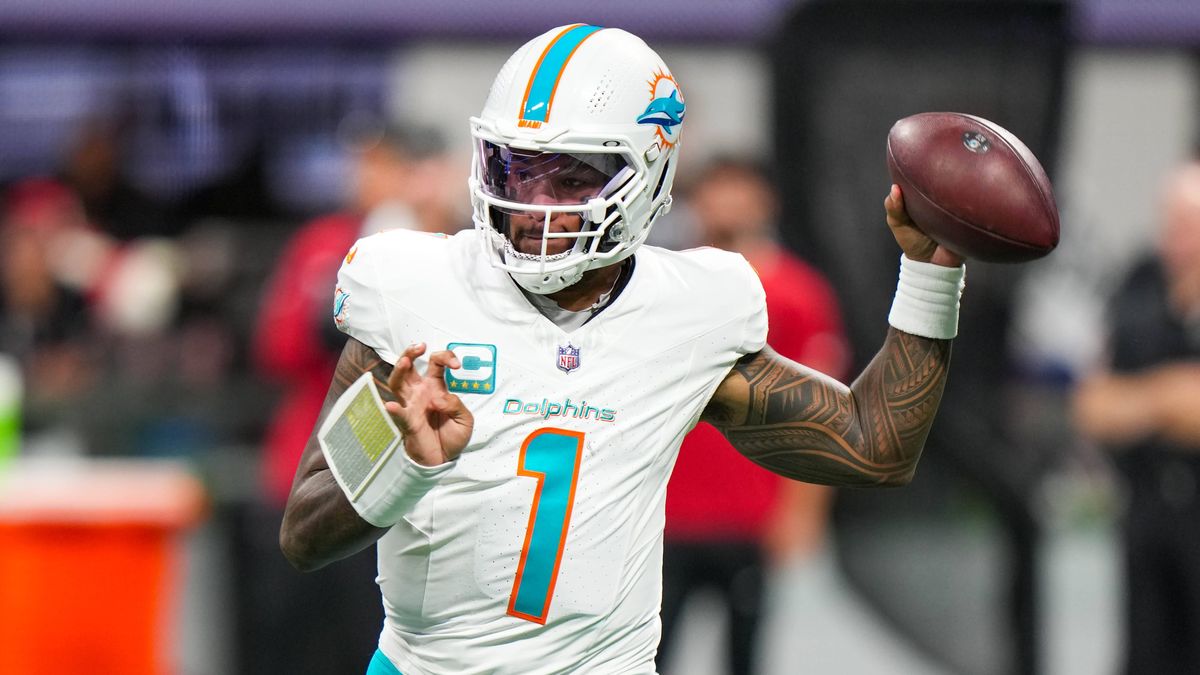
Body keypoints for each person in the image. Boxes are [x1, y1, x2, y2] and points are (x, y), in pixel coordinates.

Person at [280, 24, 967, 674]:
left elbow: (875, 444)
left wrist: (932, 272)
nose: (534, 204)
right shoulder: (413, 289)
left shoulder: (689, 311)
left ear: (651, 177)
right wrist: (401, 464)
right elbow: (303, 533)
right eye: (515, 169)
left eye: (572, 177)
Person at [244, 122, 456, 675]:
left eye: (383, 164)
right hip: (311, 463)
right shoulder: (324, 243)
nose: (366, 176)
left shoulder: (459, 253)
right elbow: (277, 350)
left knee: (370, 640)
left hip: (407, 483)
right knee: (286, 645)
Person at [658, 158, 849, 675]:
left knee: (745, 657)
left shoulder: (798, 293)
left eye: (738, 190)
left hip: (750, 515)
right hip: (663, 518)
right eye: (714, 190)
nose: (726, 204)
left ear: (766, 201)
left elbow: (822, 412)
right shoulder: (665, 285)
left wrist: (804, 510)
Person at [1072, 159, 1200, 674]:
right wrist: (1168, 395)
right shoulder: (1140, 285)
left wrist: (1139, 399)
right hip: (1147, 517)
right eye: (1168, 221)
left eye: (1187, 224)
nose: (1173, 238)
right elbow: (1094, 406)